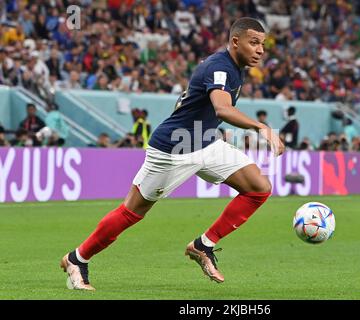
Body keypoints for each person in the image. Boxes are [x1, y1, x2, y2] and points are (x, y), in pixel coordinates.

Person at [60, 17, 285, 290]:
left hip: (205, 143)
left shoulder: (235, 67)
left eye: (262, 44)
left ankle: (204, 245)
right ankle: (77, 258)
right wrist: (260, 127)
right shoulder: (220, 68)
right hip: (173, 151)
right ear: (235, 42)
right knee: (132, 212)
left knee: (258, 188)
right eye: (254, 43)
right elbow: (222, 109)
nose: (260, 50)